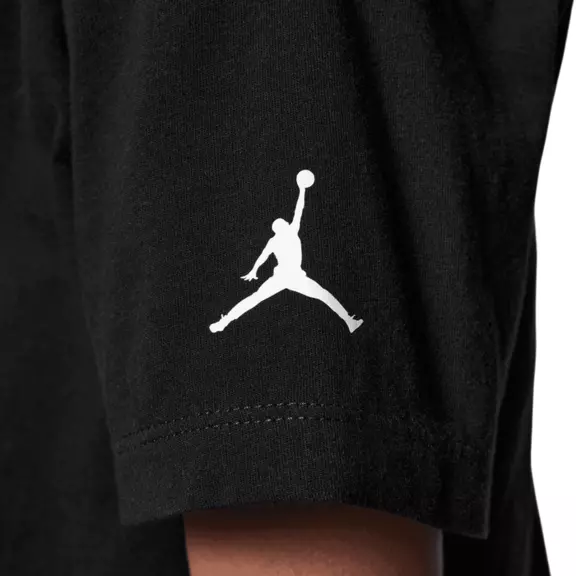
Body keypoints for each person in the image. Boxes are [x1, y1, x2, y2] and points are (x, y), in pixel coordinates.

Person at [1, 0, 573, 575]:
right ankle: (256, 319)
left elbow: (316, 476)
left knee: (316, 309)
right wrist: (254, 272)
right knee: (286, 300)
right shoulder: (278, 238)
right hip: (281, 279)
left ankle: (308, 321)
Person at [209, 170, 364, 334]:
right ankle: (349, 321)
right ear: (280, 227)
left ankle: (223, 322)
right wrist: (302, 190)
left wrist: (254, 270)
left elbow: (263, 256)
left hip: (286, 277)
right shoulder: (289, 232)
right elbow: (298, 210)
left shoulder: (277, 238)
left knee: (255, 298)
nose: (285, 222)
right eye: (283, 222)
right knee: (323, 295)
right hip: (291, 277)